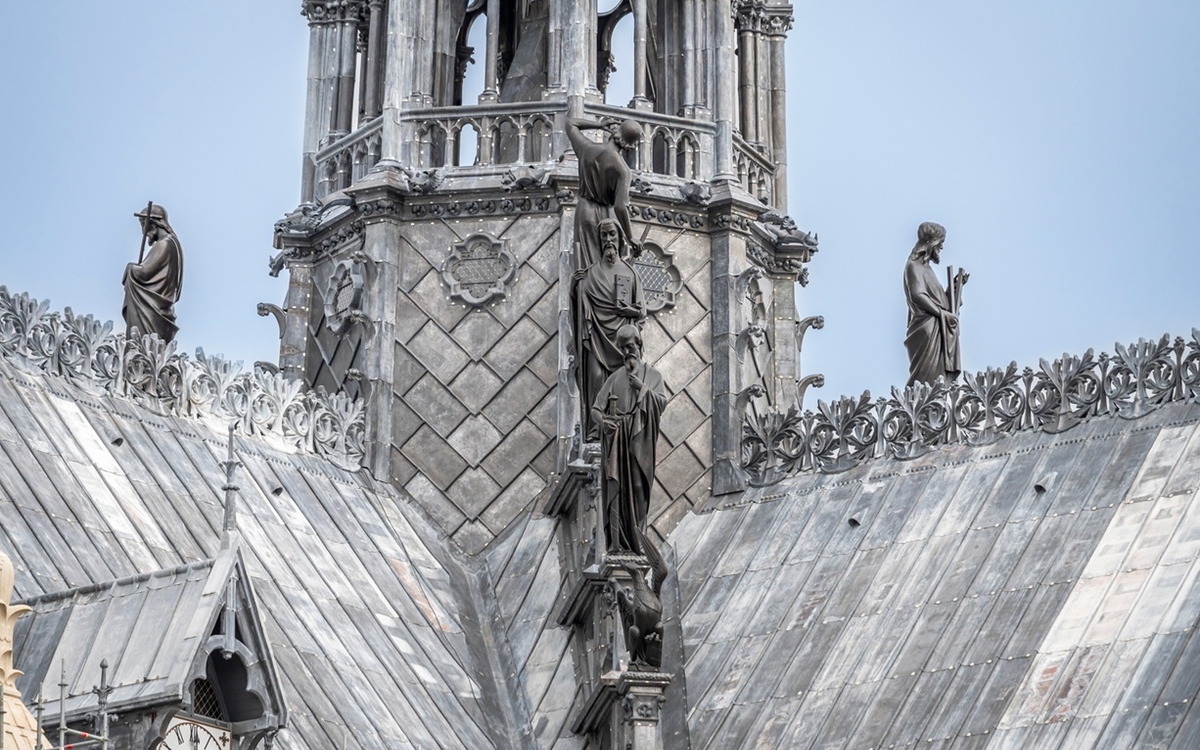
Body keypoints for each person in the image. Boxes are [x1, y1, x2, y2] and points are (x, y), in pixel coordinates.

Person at [592, 324, 667, 554]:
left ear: (640, 345)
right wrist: (604, 422)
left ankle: (638, 540)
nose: (627, 352)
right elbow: (596, 408)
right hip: (617, 441)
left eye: (630, 346)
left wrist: (642, 388)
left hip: (640, 438)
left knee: (638, 486)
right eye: (623, 348)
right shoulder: (615, 378)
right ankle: (618, 543)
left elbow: (662, 402)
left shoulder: (653, 375)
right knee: (617, 488)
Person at [575, 219, 647, 440]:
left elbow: (641, 311)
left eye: (612, 235)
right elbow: (581, 307)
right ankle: (597, 429)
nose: (608, 240)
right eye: (604, 236)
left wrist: (629, 311)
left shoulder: (630, 273)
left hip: (622, 340)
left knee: (623, 382)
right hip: (597, 338)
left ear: (619, 239)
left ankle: (624, 426)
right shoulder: (589, 274)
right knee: (596, 377)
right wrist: (574, 287)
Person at [565, 116, 643, 270]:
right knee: (605, 269)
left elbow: (570, 123)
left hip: (584, 211)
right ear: (629, 145)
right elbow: (620, 207)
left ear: (616, 131)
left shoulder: (587, 148)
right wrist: (630, 236)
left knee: (587, 268)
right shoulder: (623, 170)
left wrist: (598, 125)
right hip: (606, 216)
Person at [903, 221, 967, 386]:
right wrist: (942, 314)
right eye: (941, 243)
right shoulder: (914, 265)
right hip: (926, 330)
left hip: (937, 329)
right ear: (930, 243)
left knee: (940, 382)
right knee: (927, 381)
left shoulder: (927, 269)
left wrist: (954, 289)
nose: (942, 248)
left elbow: (941, 302)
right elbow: (918, 295)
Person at [123, 203, 184, 343]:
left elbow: (144, 272)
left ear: (153, 223)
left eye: (144, 226)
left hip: (152, 309)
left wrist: (130, 268)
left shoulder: (164, 244)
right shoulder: (172, 243)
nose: (143, 232)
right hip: (160, 307)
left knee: (145, 347)